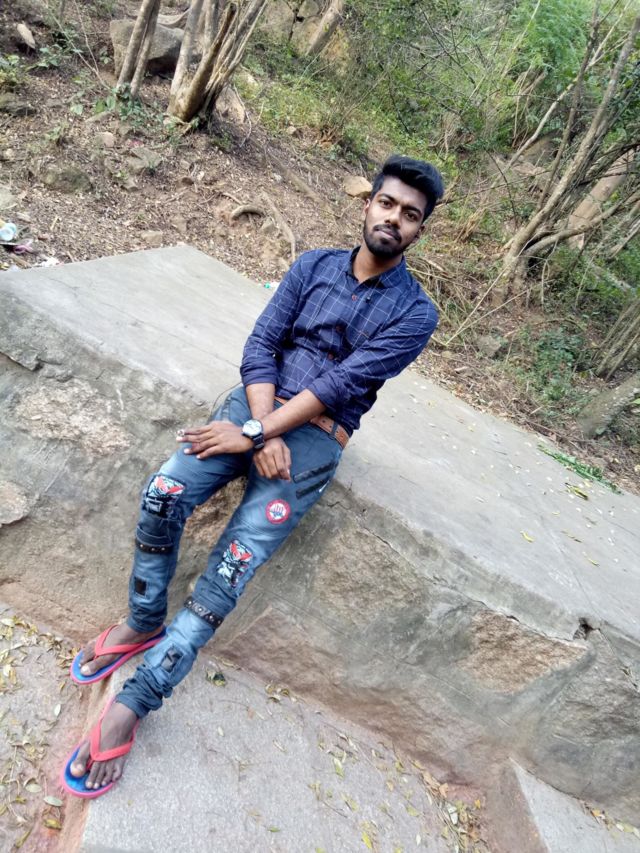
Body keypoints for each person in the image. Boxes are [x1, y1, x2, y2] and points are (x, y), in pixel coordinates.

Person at [61, 154, 444, 797]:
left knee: (230, 569)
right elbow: (262, 344)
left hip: (315, 437)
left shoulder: (415, 314)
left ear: (418, 231)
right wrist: (257, 428)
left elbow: (342, 383)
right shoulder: (312, 266)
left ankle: (138, 699)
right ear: (367, 205)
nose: (394, 219)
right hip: (254, 407)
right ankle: (143, 620)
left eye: (410, 215)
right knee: (163, 492)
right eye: (387, 204)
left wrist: (260, 434)